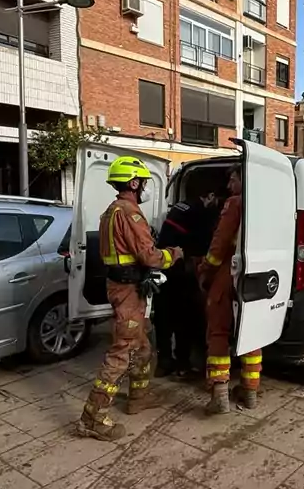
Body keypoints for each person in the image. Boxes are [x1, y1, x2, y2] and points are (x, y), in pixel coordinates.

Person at [76, 156, 183, 441]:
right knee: (121, 353)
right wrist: (174, 254)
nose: (146, 187)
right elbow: (150, 256)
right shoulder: (130, 214)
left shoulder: (110, 211)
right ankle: (92, 418)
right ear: (134, 183)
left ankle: (139, 397)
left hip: (124, 287)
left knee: (144, 347)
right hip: (128, 293)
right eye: (144, 182)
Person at [198, 166, 261, 414]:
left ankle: (220, 394)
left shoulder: (235, 203)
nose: (228, 186)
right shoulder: (269, 203)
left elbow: (219, 244)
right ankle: (250, 391)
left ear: (243, 179)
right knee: (253, 332)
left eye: (233, 179)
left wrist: (205, 269)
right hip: (259, 274)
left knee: (218, 331)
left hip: (229, 273)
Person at [153, 190, 221, 377]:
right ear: (210, 196)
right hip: (183, 270)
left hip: (164, 267)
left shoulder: (181, 205)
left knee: (163, 319)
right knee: (185, 319)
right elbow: (207, 245)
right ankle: (183, 363)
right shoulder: (203, 212)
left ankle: (164, 362)